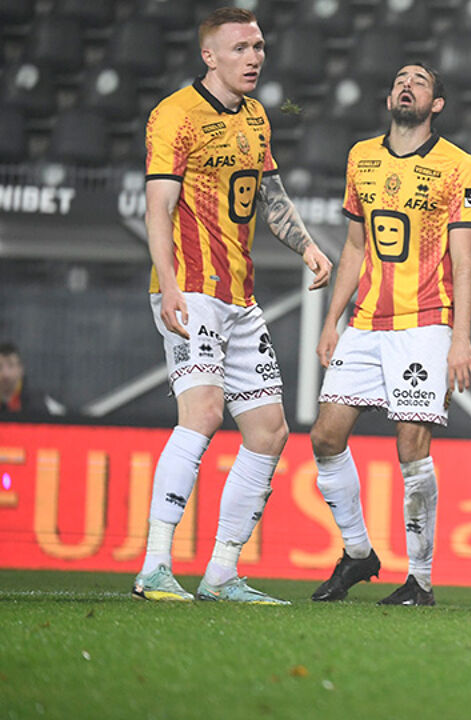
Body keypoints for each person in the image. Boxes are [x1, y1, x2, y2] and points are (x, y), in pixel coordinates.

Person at [133, 7, 333, 605]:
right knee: (203, 413)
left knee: (269, 432)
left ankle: (221, 572)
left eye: (259, 46)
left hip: (240, 298)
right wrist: (168, 286)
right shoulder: (174, 115)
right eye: (241, 47)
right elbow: (157, 208)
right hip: (190, 289)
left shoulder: (256, 117)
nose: (254, 57)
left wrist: (308, 247)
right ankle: (153, 567)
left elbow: (269, 195)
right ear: (209, 56)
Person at [307, 63, 471, 606]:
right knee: (325, 437)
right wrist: (332, 320)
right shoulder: (362, 156)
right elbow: (355, 247)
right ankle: (359, 553)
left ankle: (420, 581)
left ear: (437, 105)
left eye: (421, 82)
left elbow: (465, 259)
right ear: (389, 97)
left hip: (426, 321)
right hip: (365, 323)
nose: (407, 85)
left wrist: (460, 337)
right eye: (401, 79)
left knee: (411, 447)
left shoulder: (457, 165)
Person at [0, 342, 65, 417]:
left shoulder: (38, 401)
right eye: (0, 367)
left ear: (21, 369)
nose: (5, 373)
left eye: (10, 365)